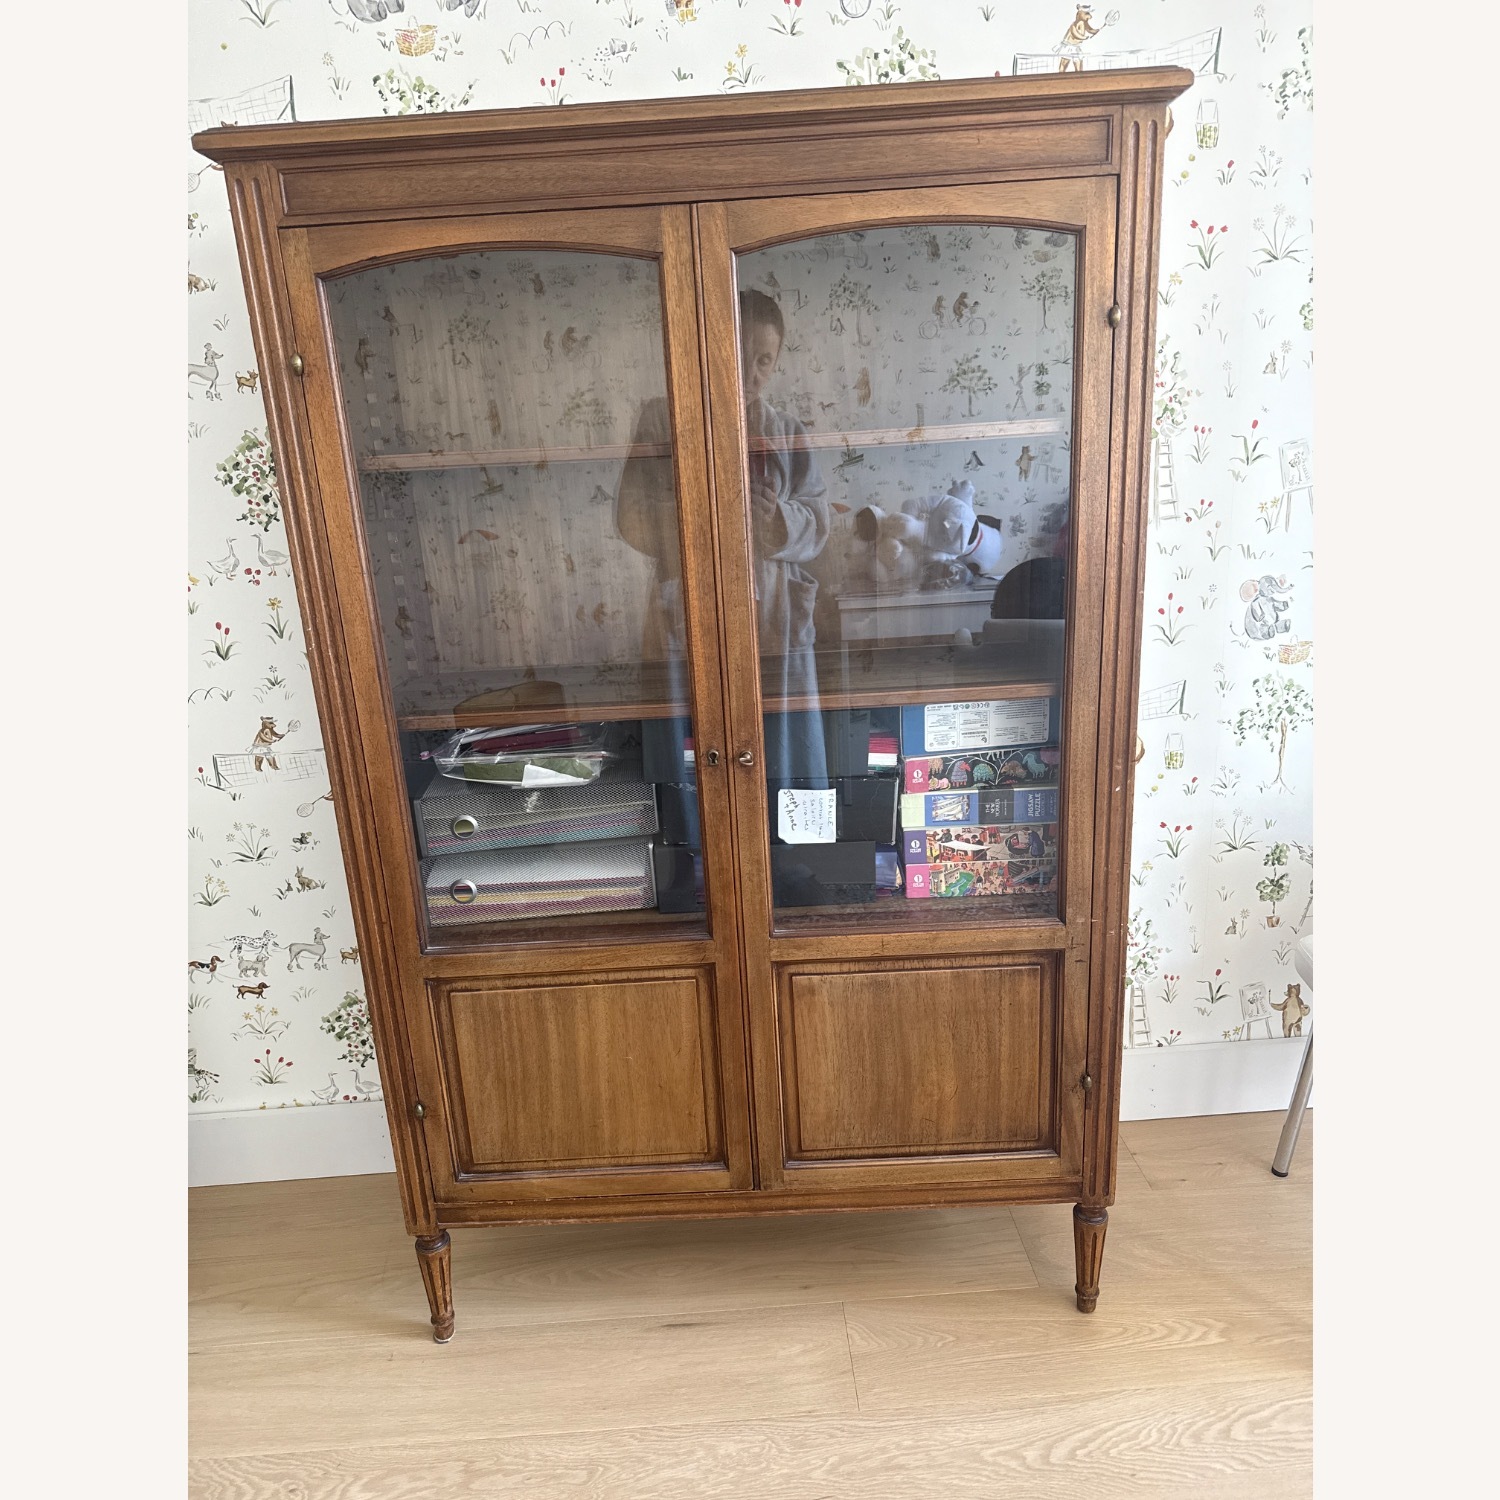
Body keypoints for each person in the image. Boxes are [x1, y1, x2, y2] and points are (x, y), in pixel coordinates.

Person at [616, 288, 831, 783]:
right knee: (695, 743)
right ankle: (693, 852)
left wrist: (776, 520)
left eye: (764, 360)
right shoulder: (661, 419)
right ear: (712, 348)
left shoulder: (788, 431)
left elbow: (818, 524)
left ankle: (788, 855)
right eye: (739, 355)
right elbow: (630, 515)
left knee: (781, 741)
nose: (750, 372)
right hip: (688, 610)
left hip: (774, 612)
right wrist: (703, 513)